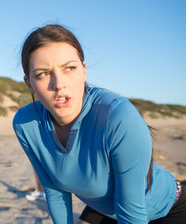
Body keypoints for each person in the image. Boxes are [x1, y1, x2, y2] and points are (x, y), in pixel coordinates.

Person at [12, 24, 186, 224]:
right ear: (29, 83)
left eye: (69, 68)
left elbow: (131, 215)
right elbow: (54, 191)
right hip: (103, 206)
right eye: (43, 74)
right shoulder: (26, 124)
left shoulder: (118, 116)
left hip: (166, 208)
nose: (59, 84)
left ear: (84, 71)